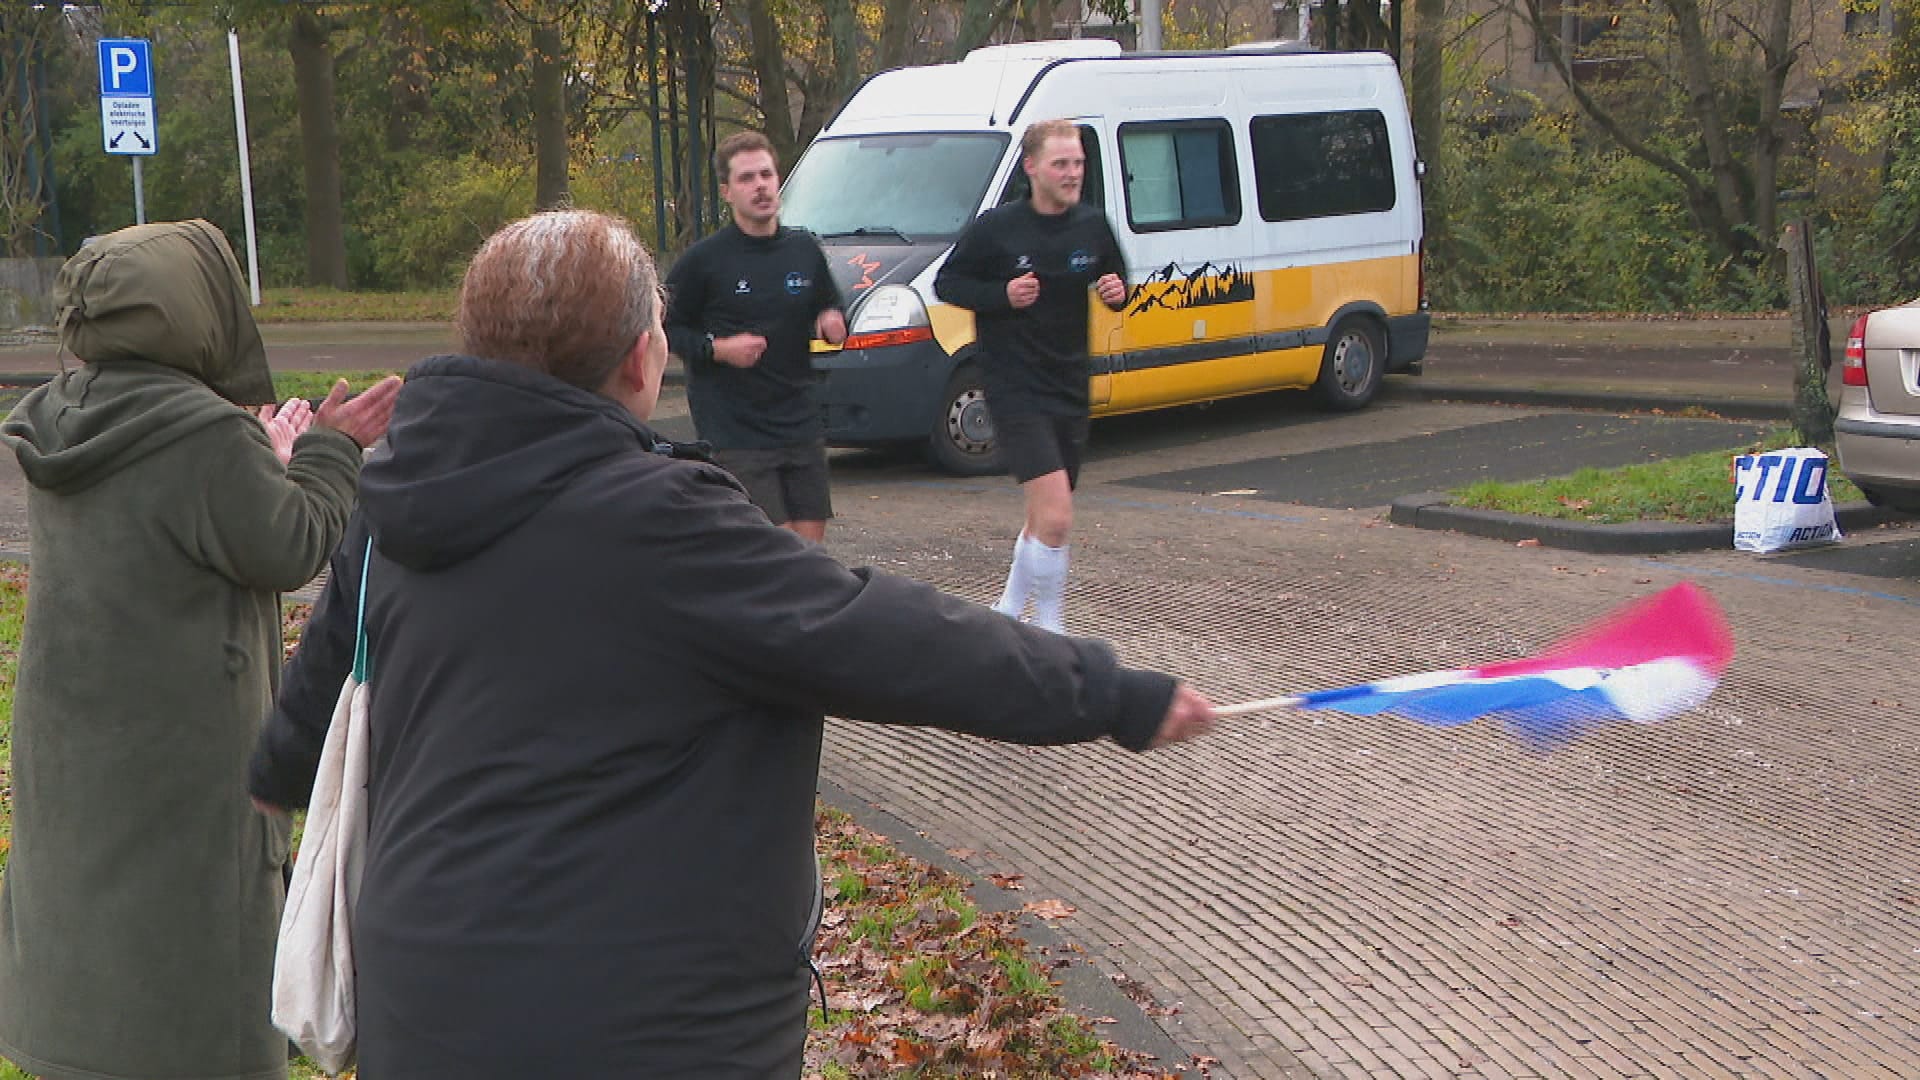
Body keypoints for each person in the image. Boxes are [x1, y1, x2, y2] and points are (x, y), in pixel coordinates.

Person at [248, 209, 1215, 1079]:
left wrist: (277, 772)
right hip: (643, 1026)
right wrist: (1109, 691)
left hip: (424, 1005)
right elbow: (885, 636)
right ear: (639, 361)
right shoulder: (663, 522)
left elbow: (311, 702)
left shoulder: (396, 500)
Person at [0, 219, 401, 1080]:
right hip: (185, 758)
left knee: (90, 929)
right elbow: (291, 542)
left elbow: (195, 522)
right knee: (192, 970)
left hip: (80, 744)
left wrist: (264, 453)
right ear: (192, 310)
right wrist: (332, 449)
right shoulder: (200, 435)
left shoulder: (61, 415)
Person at [934, 118, 1129, 633]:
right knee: (1058, 517)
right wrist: (1002, 296)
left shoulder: (1091, 224)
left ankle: (1007, 611)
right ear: (1032, 168)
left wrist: (1115, 292)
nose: (1072, 174)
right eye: (1061, 164)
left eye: (1078, 164)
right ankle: (1049, 630)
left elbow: (1116, 276)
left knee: (1044, 517)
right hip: (1014, 387)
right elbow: (947, 282)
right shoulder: (998, 229)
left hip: (1069, 383)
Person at [665, 131, 848, 542]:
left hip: (799, 422)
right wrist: (718, 349)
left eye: (766, 174)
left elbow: (829, 302)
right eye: (747, 179)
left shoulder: (803, 249)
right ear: (728, 192)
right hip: (736, 431)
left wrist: (832, 318)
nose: (760, 186)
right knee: (777, 549)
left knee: (809, 554)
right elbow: (664, 328)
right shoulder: (705, 261)